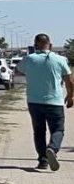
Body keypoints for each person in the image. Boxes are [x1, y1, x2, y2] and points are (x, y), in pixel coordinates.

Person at [16, 33, 72, 171]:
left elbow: (18, 71)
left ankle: (43, 161)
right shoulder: (60, 59)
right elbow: (69, 81)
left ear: (35, 45)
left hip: (34, 102)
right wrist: (70, 96)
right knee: (58, 129)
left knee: (39, 131)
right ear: (50, 45)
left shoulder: (29, 59)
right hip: (55, 102)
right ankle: (52, 148)